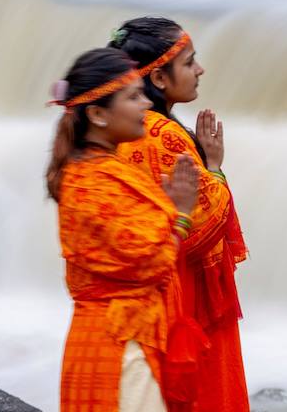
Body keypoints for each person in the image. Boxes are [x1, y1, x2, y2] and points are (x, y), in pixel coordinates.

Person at [47, 47, 206, 412]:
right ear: (98, 114)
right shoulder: (90, 183)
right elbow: (150, 260)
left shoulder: (101, 171)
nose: (146, 106)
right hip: (117, 345)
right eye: (133, 97)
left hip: (124, 334)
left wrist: (167, 211)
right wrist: (180, 214)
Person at [110, 19, 250, 412]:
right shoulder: (164, 135)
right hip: (182, 287)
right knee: (201, 388)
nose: (200, 70)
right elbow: (203, 224)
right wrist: (217, 167)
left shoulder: (126, 130)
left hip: (142, 289)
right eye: (190, 63)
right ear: (158, 76)